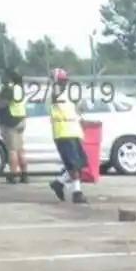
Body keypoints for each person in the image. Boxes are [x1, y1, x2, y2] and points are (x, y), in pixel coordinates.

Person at [46, 69, 87, 204]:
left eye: (64, 81)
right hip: (63, 133)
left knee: (79, 163)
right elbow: (55, 94)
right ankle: (77, 192)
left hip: (73, 132)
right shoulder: (53, 95)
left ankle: (59, 183)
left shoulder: (68, 96)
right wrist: (54, 81)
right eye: (61, 81)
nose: (64, 84)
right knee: (73, 164)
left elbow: (75, 112)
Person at [0, 68, 28, 184]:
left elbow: (3, 104)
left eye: (3, 76)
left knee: (12, 150)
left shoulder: (9, 89)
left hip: (9, 121)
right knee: (20, 150)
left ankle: (13, 175)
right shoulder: (20, 88)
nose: (1, 78)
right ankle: (25, 174)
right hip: (20, 119)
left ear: (9, 78)